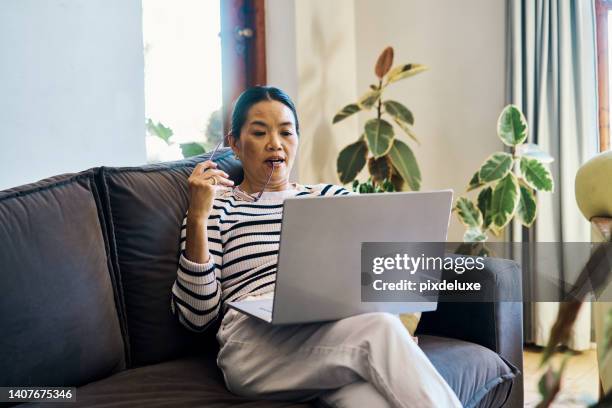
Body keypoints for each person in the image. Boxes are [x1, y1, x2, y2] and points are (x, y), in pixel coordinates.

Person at [170, 86, 462, 408]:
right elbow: (197, 317)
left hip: (331, 333)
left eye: (286, 132)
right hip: (252, 343)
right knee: (379, 329)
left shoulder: (330, 198)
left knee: (369, 399)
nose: (275, 144)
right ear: (235, 144)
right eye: (259, 132)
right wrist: (197, 216)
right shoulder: (216, 209)